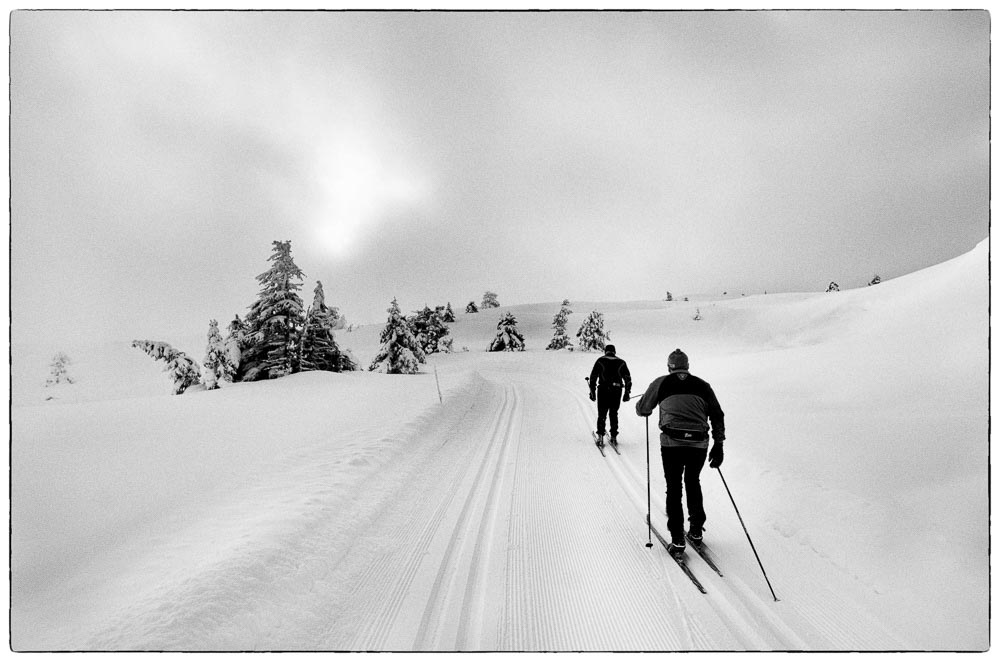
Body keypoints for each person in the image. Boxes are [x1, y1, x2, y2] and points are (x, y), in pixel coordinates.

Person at [635, 348, 725, 555]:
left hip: (671, 444)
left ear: (669, 367)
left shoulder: (661, 382)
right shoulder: (703, 386)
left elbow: (643, 410)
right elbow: (717, 414)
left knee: (674, 486)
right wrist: (718, 444)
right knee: (692, 481)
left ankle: (677, 539)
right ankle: (695, 531)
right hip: (699, 444)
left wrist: (649, 403)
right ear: (688, 366)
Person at [588, 344, 632, 447]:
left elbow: (593, 377)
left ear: (605, 351)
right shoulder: (621, 362)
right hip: (616, 391)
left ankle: (600, 436)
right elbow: (628, 379)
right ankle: (613, 437)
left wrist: (592, 392)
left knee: (602, 413)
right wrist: (627, 393)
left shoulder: (600, 360)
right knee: (613, 413)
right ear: (614, 352)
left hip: (603, 390)